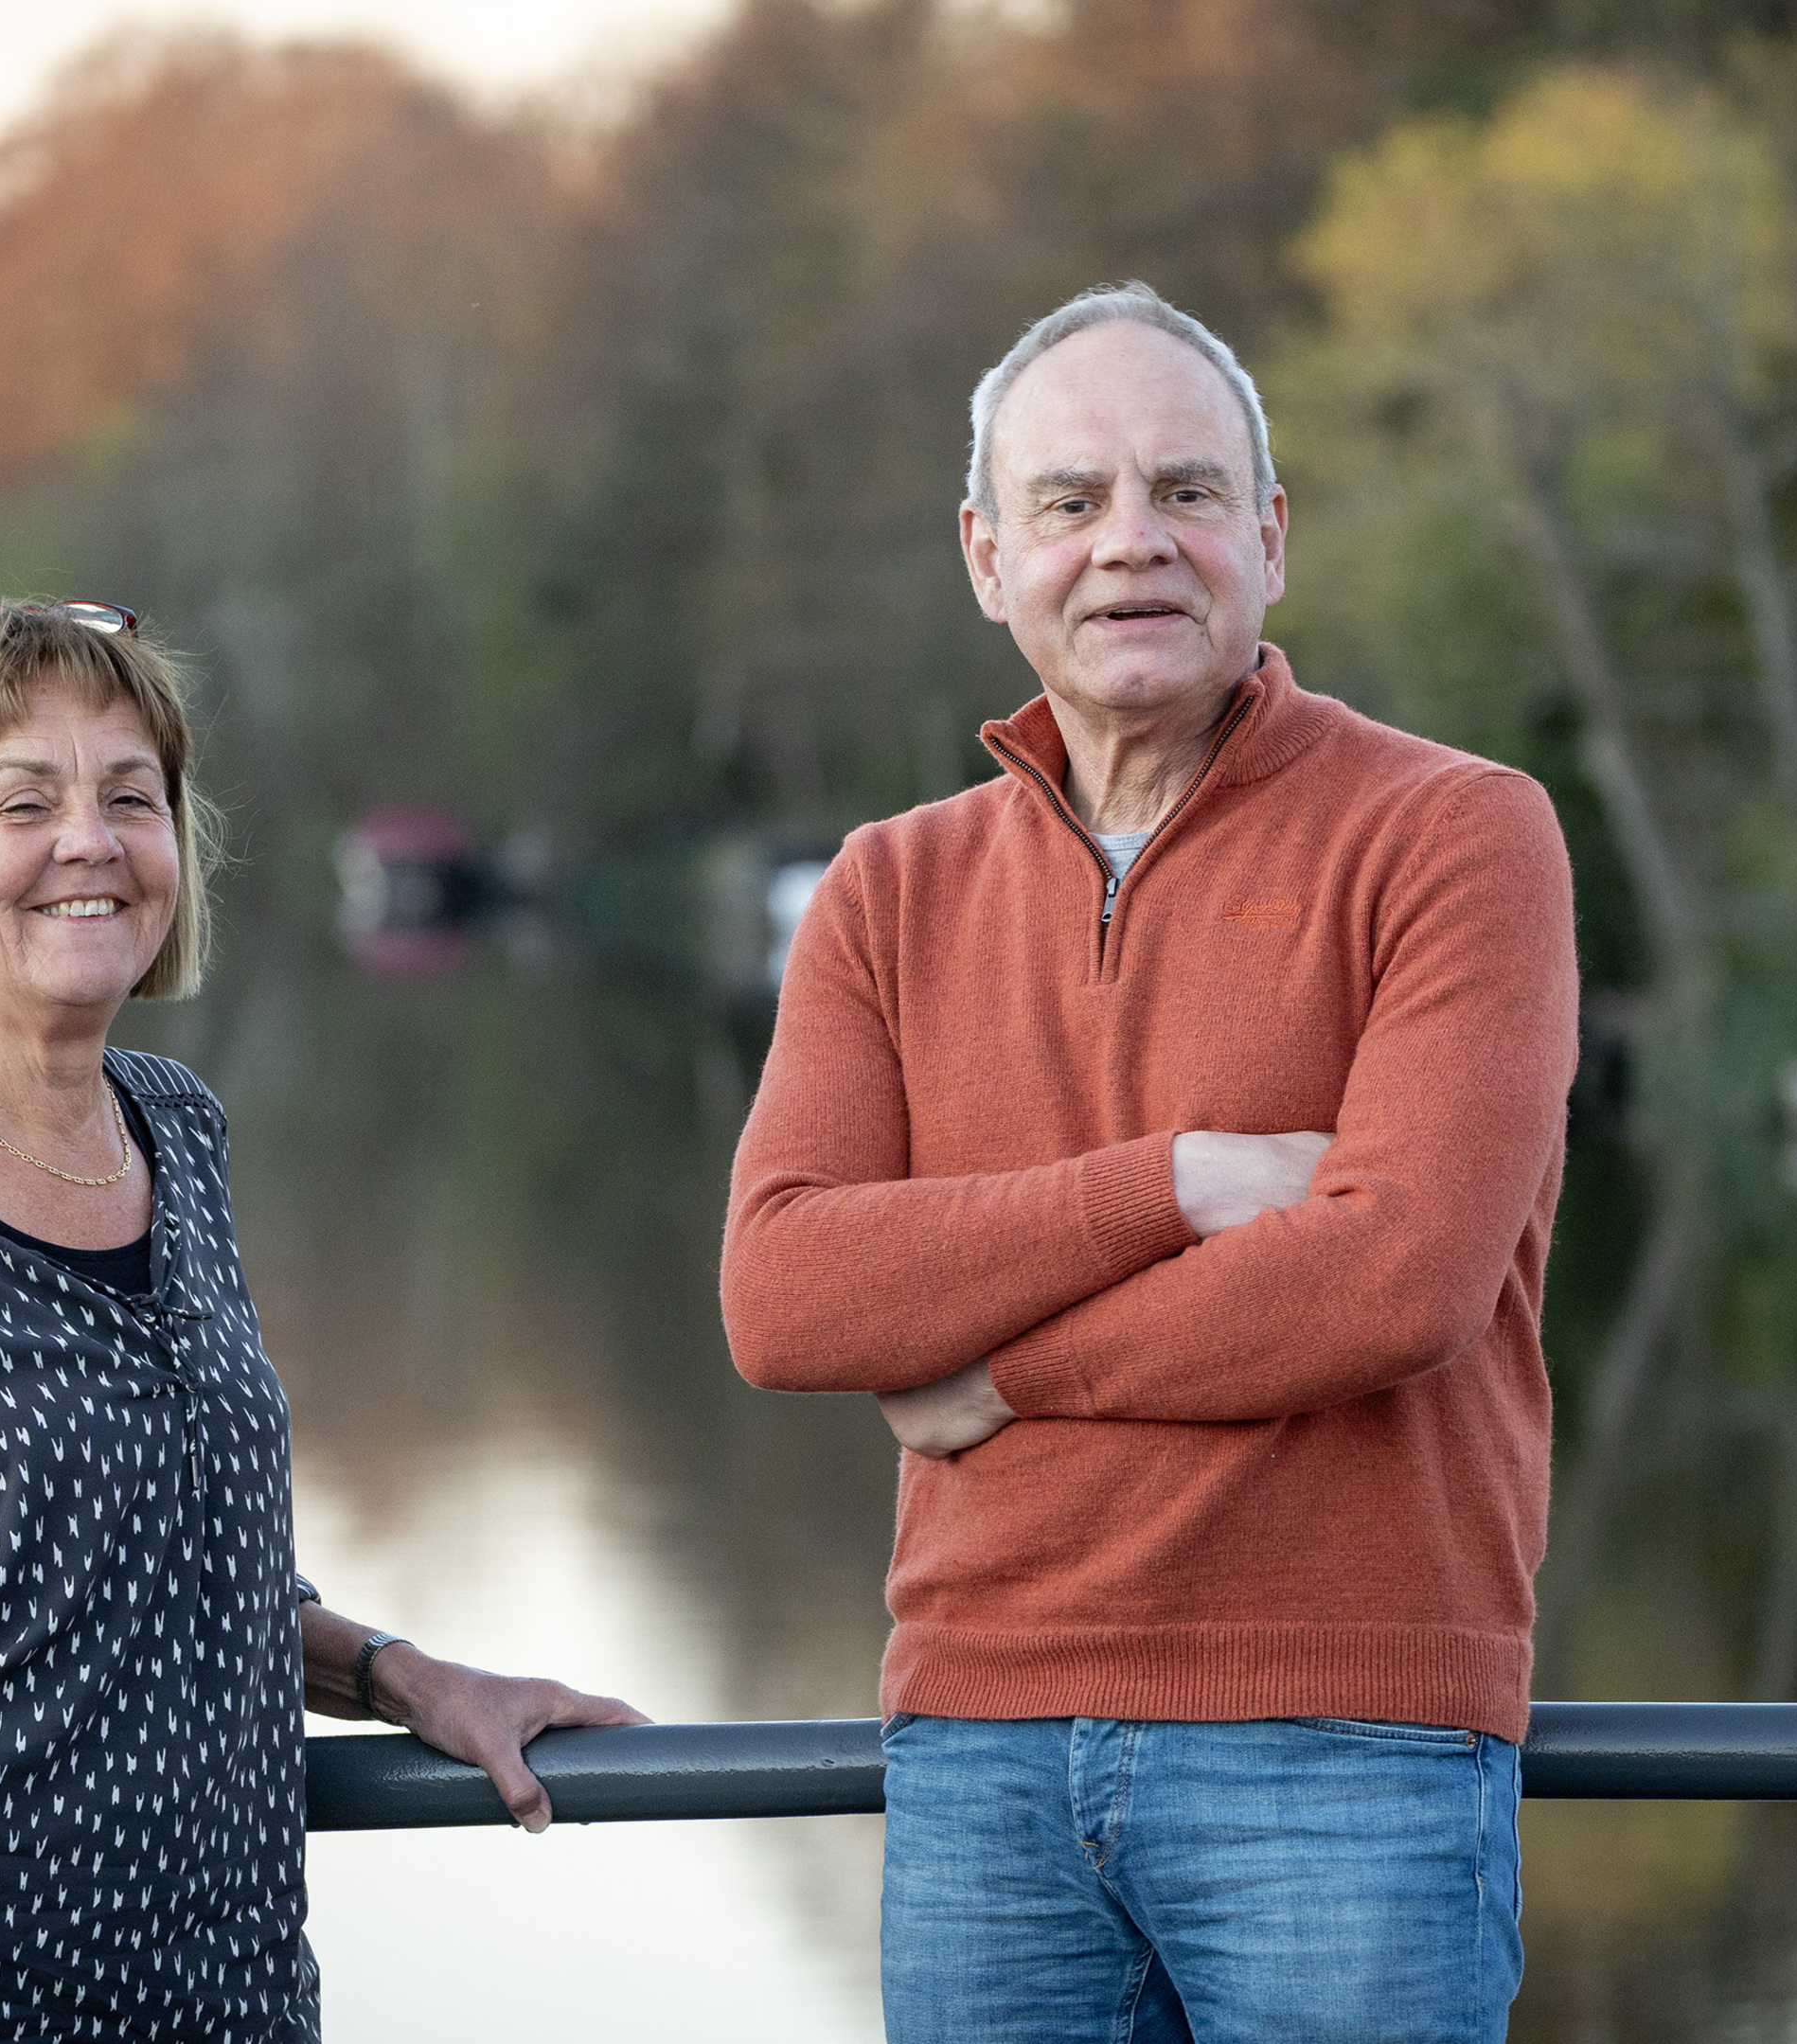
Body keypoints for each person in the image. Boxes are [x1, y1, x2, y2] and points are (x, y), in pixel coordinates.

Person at [0, 600, 642, 2044]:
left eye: (130, 797)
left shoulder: (177, 1133)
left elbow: (171, 1575)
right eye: (25, 801)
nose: (90, 840)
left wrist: (410, 1681)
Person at [719, 283, 1581, 2040]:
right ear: (986, 557)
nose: (1133, 544)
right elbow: (785, 1292)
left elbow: (1393, 1281)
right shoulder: (887, 887)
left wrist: (996, 1375)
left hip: (1348, 1752)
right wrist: (1176, 1184)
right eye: (1070, 501)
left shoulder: (1456, 833)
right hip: (977, 1757)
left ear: (1268, 538)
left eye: (1187, 494)